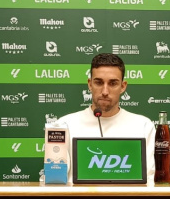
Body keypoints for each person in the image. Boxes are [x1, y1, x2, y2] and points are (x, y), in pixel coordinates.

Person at [55, 53, 156, 181]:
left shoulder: (144, 126)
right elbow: (54, 181)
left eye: (113, 83)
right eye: (98, 82)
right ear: (90, 84)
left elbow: (149, 181)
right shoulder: (64, 125)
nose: (105, 92)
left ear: (123, 86)